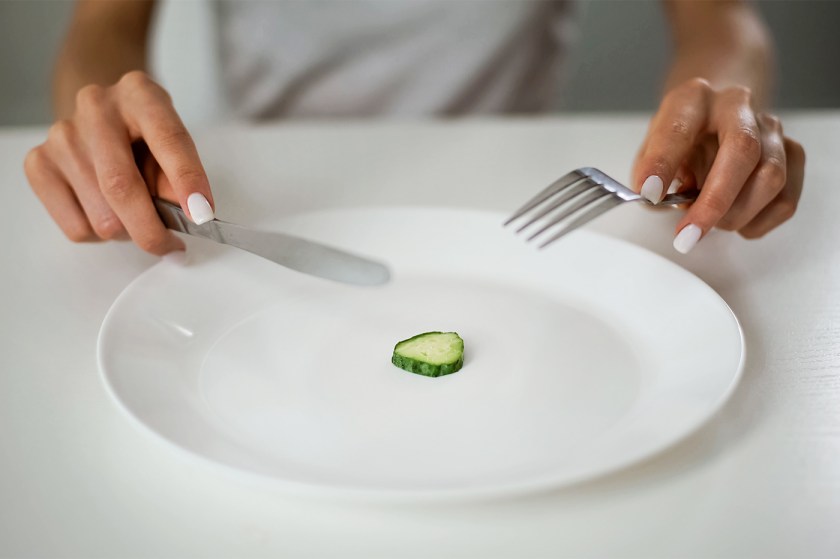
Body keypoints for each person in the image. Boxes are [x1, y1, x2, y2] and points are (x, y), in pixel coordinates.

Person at [23, 0, 804, 256]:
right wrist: (103, 118)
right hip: (259, 201)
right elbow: (103, 24)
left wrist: (720, 106)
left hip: (512, 215)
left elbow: (722, 21)